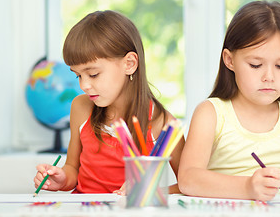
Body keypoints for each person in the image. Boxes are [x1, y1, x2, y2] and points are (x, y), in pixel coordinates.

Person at [178, 0, 280, 201]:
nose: (269, 77)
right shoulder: (211, 114)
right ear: (229, 60)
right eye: (256, 65)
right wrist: (247, 187)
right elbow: (188, 179)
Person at [33, 10, 185, 194]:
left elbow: (188, 184)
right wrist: (62, 179)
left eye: (93, 74)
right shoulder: (81, 108)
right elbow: (72, 169)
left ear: (129, 64)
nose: (84, 85)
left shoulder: (163, 124)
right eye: (78, 76)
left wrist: (148, 190)